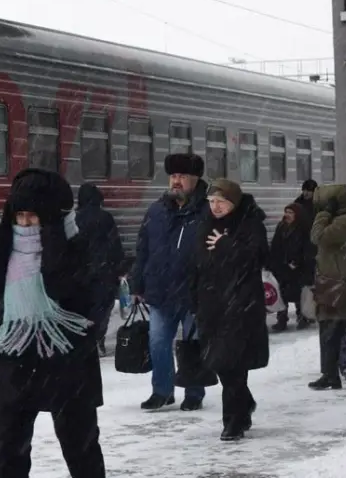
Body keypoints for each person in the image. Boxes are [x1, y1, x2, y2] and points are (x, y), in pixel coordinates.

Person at [0, 169, 104, 478]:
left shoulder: (76, 246)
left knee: (80, 444)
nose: (24, 225)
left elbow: (72, 290)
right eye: (19, 216)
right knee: (10, 447)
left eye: (33, 217)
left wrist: (53, 244)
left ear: (51, 217)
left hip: (66, 359)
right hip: (14, 358)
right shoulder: (1, 247)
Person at [187, 179, 269, 441]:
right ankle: (244, 405)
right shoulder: (205, 224)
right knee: (221, 364)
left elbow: (256, 258)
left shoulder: (250, 223)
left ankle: (232, 421)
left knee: (234, 364)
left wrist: (226, 246)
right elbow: (197, 264)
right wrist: (193, 297)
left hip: (241, 304)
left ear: (234, 202)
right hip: (211, 305)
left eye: (221, 202)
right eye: (212, 201)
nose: (216, 207)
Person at [128, 153, 209, 411]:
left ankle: (194, 392)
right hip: (161, 291)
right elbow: (143, 249)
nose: (176, 181)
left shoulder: (207, 211)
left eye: (182, 176)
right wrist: (136, 285)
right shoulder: (156, 211)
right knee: (158, 343)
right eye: (173, 176)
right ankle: (162, 391)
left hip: (194, 292)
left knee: (192, 344)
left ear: (195, 179)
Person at [307, 184, 346, 391]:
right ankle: (330, 375)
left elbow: (317, 237)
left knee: (330, 331)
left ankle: (330, 375)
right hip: (337, 284)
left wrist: (324, 213)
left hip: (340, 287)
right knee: (334, 331)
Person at [75, 183, 124, 356]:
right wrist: (119, 268)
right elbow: (115, 245)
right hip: (104, 273)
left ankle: (84, 340)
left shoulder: (74, 219)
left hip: (81, 274)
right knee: (102, 309)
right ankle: (98, 340)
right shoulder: (106, 217)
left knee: (83, 308)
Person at [268, 203, 316, 332]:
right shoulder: (281, 227)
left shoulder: (304, 229)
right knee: (281, 294)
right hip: (283, 267)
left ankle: (303, 317)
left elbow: (309, 249)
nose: (287, 215)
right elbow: (275, 245)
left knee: (299, 294)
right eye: (286, 212)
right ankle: (282, 319)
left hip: (299, 269)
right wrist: (272, 262)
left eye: (290, 212)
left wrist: (298, 261)